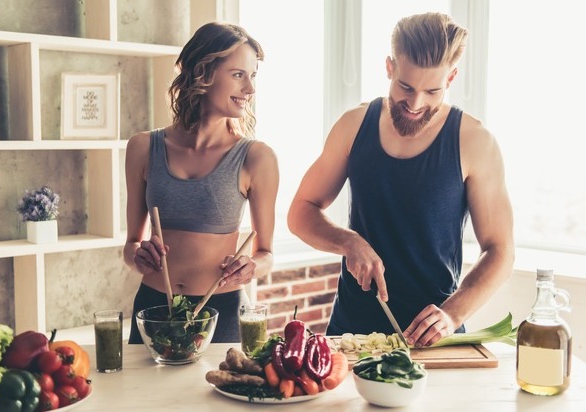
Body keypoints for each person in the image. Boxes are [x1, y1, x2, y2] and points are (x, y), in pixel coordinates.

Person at [287, 12, 514, 348]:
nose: (415, 103)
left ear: (451, 78)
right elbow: (300, 212)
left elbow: (500, 251)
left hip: (431, 340)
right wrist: (347, 241)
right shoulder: (353, 125)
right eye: (405, 87)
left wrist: (452, 314)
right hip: (350, 335)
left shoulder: (475, 141)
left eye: (432, 91)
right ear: (389, 68)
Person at [124, 22, 279, 344]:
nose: (250, 89)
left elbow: (265, 253)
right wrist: (137, 255)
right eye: (239, 74)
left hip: (220, 311)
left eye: (253, 76)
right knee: (145, 396)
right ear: (203, 73)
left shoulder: (256, 158)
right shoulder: (142, 148)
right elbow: (131, 246)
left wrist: (251, 266)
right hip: (153, 307)